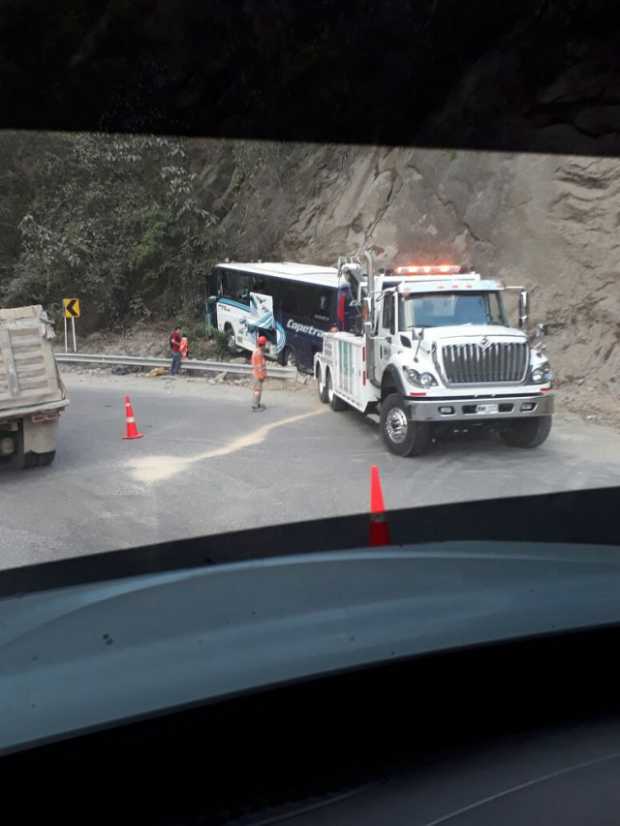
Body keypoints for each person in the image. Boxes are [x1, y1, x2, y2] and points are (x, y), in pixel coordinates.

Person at [251, 335, 267, 411]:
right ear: (263, 344)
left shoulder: (258, 351)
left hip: (257, 375)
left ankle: (257, 404)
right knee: (257, 391)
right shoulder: (258, 353)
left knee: (258, 390)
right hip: (258, 376)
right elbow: (259, 367)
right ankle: (255, 406)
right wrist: (261, 376)